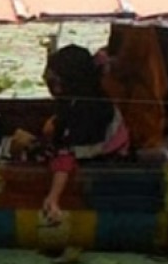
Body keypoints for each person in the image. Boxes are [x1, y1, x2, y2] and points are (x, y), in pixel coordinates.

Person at [39, 45, 131, 223]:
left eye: (54, 81)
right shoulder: (77, 98)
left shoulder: (89, 109)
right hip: (85, 148)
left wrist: (53, 197)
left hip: (105, 157)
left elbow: (66, 155)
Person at [98, 24, 168, 155]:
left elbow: (128, 63)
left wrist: (108, 63)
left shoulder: (139, 28)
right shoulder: (124, 24)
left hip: (138, 97)